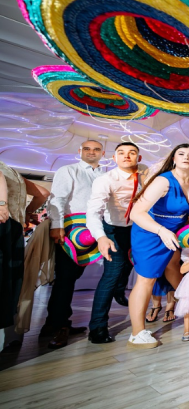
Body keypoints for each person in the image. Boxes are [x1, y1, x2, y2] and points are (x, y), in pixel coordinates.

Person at [129, 144, 189, 348]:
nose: (186, 157)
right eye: (181, 154)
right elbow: (136, 213)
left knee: (173, 266)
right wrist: (161, 231)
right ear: (173, 159)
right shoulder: (163, 181)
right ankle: (137, 333)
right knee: (146, 279)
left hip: (174, 232)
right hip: (150, 232)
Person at [41, 139, 105, 349]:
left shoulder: (104, 175)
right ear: (79, 151)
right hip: (71, 230)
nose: (91, 152)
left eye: (96, 149)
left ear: (102, 153)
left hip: (94, 231)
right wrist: (57, 225)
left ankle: (54, 323)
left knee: (71, 277)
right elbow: (57, 199)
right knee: (65, 278)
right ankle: (59, 326)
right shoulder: (68, 170)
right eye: (87, 149)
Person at [85, 143, 145, 344]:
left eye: (132, 153)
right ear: (114, 158)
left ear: (139, 158)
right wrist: (101, 237)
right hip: (113, 228)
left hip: (138, 227)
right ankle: (97, 328)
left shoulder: (147, 174)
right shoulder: (105, 180)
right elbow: (94, 212)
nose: (126, 156)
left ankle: (120, 288)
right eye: (121, 153)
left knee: (130, 265)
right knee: (112, 273)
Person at [0, 161, 49, 351]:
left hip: (3, 224)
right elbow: (43, 193)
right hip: (15, 227)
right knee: (11, 283)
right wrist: (27, 213)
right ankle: (10, 337)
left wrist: (2, 204)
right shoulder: (12, 171)